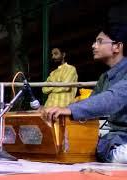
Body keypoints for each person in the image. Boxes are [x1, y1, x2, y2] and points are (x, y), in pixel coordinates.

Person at [42, 23, 127, 163]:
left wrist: (70, 109)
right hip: (116, 137)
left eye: (99, 42)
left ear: (117, 46)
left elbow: (114, 98)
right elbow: (92, 108)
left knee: (115, 155)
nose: (94, 46)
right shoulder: (105, 78)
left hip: (122, 139)